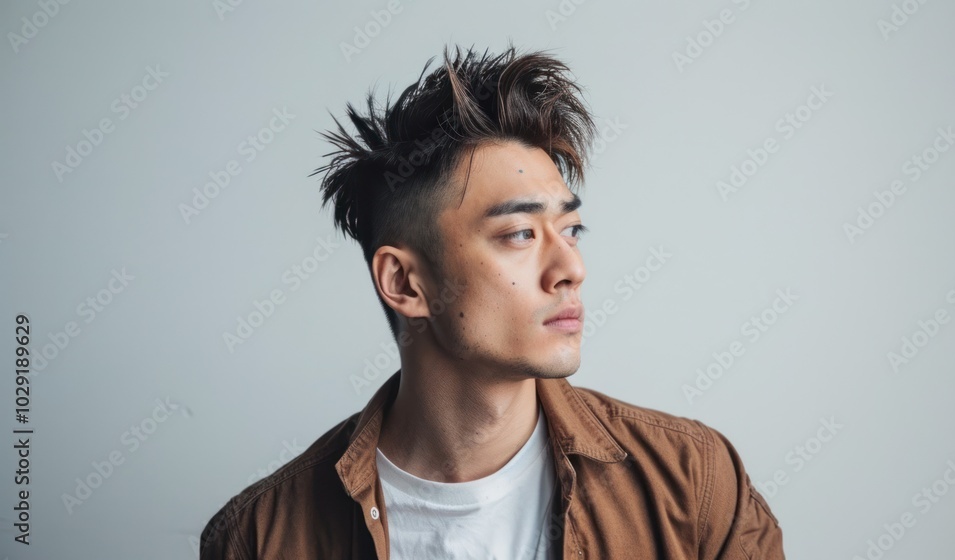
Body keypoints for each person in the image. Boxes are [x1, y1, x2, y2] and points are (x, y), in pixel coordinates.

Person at [200, 44, 785, 559]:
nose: (570, 270)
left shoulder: (695, 485)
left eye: (571, 230)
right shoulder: (261, 538)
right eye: (520, 235)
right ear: (405, 283)